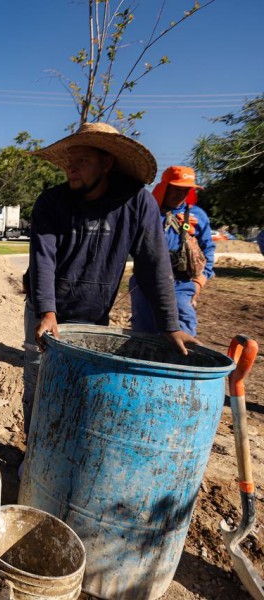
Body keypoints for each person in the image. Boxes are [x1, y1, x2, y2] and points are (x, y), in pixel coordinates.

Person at [22, 122, 195, 439]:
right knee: (39, 384)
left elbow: (154, 265)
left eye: (82, 161)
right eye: (69, 162)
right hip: (45, 313)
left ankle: (67, 450)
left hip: (93, 317)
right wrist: (47, 312)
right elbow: (42, 260)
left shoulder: (137, 204)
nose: (71, 169)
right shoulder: (52, 202)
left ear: (107, 162)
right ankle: (33, 452)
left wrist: (171, 326)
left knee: (83, 390)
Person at [130, 166, 215, 336]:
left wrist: (199, 281)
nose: (180, 194)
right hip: (146, 281)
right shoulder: (147, 212)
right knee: (143, 333)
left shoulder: (198, 216)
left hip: (181, 284)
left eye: (185, 190)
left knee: (182, 330)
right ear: (164, 188)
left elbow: (208, 249)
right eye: (176, 189)